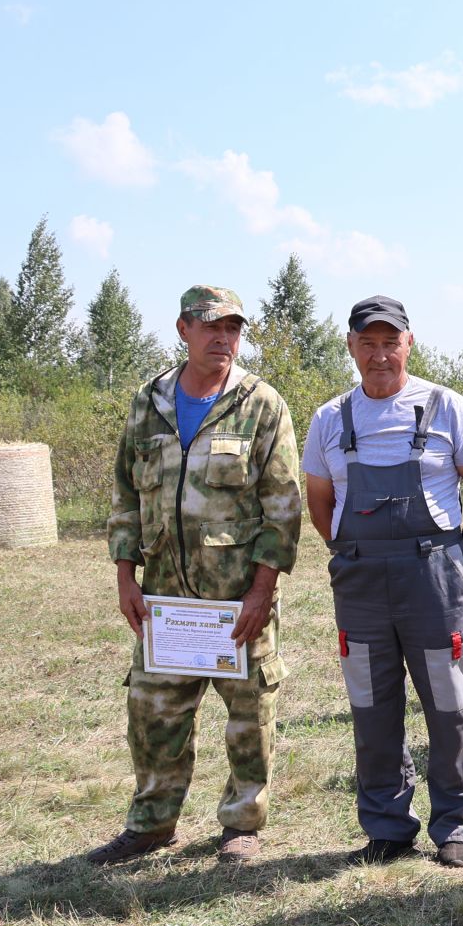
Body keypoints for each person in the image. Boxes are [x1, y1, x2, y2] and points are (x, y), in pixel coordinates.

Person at [89, 285, 301, 866]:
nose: (223, 339)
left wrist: (263, 590)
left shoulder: (261, 404)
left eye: (233, 329)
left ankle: (243, 825)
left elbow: (283, 506)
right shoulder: (148, 402)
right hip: (164, 600)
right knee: (153, 714)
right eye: (212, 327)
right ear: (183, 329)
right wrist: (125, 576)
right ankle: (153, 823)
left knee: (250, 716)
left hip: (236, 603)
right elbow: (126, 494)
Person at [303, 295, 463, 868]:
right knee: (371, 706)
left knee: (449, 705)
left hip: (433, 580)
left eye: (390, 342)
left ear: (409, 343)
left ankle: (455, 825)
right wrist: (356, 551)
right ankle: (388, 826)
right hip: (361, 583)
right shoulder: (329, 419)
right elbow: (320, 504)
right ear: (350, 346)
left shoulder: (446, 408)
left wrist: (454, 564)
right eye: (367, 343)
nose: (380, 355)